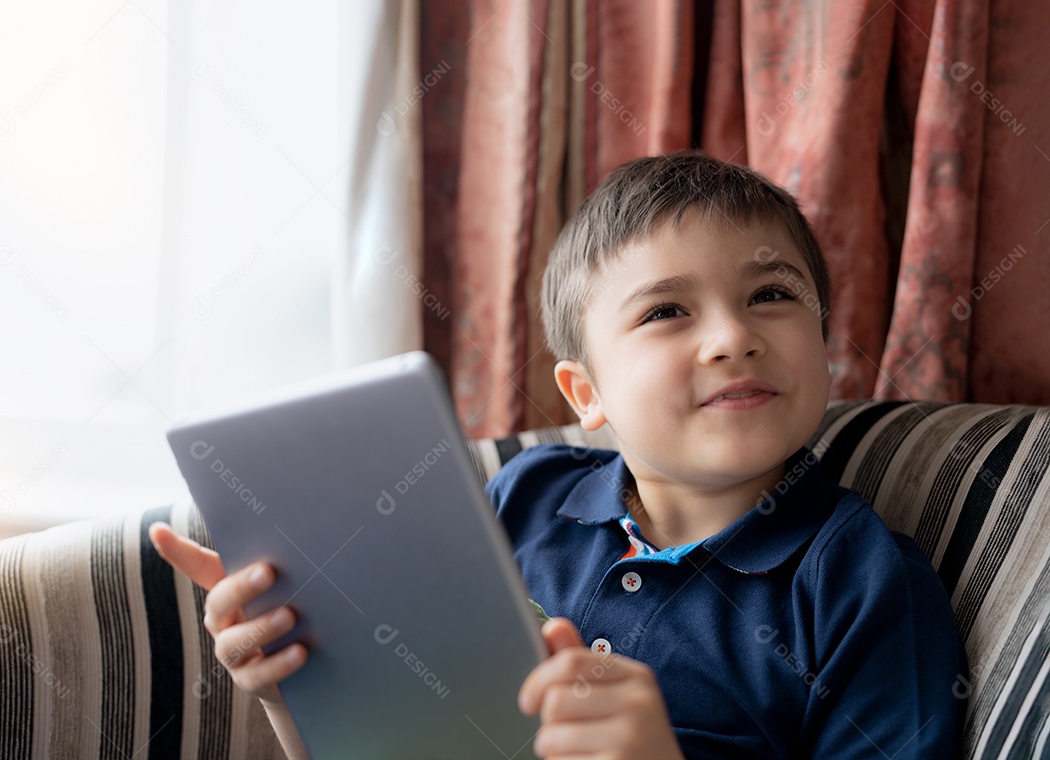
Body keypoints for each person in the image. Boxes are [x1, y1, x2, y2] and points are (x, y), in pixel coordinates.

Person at [151, 150, 967, 759]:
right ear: (586, 393)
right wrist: (296, 684)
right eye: (667, 312)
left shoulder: (862, 582)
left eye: (772, 295)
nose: (732, 336)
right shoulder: (527, 497)